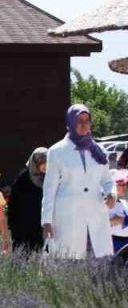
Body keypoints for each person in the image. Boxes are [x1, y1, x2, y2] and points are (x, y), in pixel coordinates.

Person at [42, 104, 116, 259]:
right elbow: (49, 189)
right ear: (70, 123)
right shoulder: (56, 151)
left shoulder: (99, 150)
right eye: (79, 120)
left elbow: (107, 180)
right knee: (70, 263)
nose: (84, 124)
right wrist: (46, 221)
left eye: (87, 120)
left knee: (100, 265)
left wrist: (111, 194)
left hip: (96, 215)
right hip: (68, 217)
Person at [4, 147, 47, 255]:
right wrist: (12, 225)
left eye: (47, 161)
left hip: (42, 226)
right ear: (35, 162)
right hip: (22, 226)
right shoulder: (23, 178)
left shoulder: (51, 178)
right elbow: (13, 202)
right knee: (22, 257)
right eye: (41, 161)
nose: (45, 165)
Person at [109, 171, 128, 255]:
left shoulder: (124, 203)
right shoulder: (105, 202)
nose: (124, 187)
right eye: (120, 185)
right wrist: (120, 220)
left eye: (125, 184)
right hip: (114, 242)